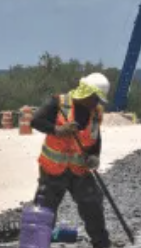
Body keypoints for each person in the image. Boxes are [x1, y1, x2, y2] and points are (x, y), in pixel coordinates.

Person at [30, 72, 112, 248]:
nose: (97, 103)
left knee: (93, 206)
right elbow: (36, 121)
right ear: (87, 94)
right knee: (43, 213)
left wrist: (94, 157)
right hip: (53, 170)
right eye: (95, 98)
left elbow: (96, 137)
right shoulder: (58, 103)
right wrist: (58, 130)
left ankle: (102, 244)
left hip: (79, 171)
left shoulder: (95, 112)